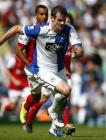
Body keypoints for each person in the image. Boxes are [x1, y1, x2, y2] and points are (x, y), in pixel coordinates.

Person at [0, 5, 83, 137]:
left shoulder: (69, 29)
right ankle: (34, 111)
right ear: (52, 19)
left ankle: (54, 119)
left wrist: (77, 52)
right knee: (42, 96)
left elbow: (79, 49)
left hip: (58, 69)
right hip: (38, 70)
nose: (63, 23)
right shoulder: (39, 29)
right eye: (60, 20)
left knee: (63, 95)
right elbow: (16, 31)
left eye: (64, 20)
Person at [16, 4, 49, 133]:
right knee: (36, 98)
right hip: (33, 69)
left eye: (46, 14)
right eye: (41, 14)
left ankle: (62, 124)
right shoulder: (28, 31)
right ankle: (25, 106)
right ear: (36, 15)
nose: (44, 17)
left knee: (57, 93)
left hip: (48, 68)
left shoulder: (50, 30)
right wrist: (30, 66)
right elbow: (19, 52)